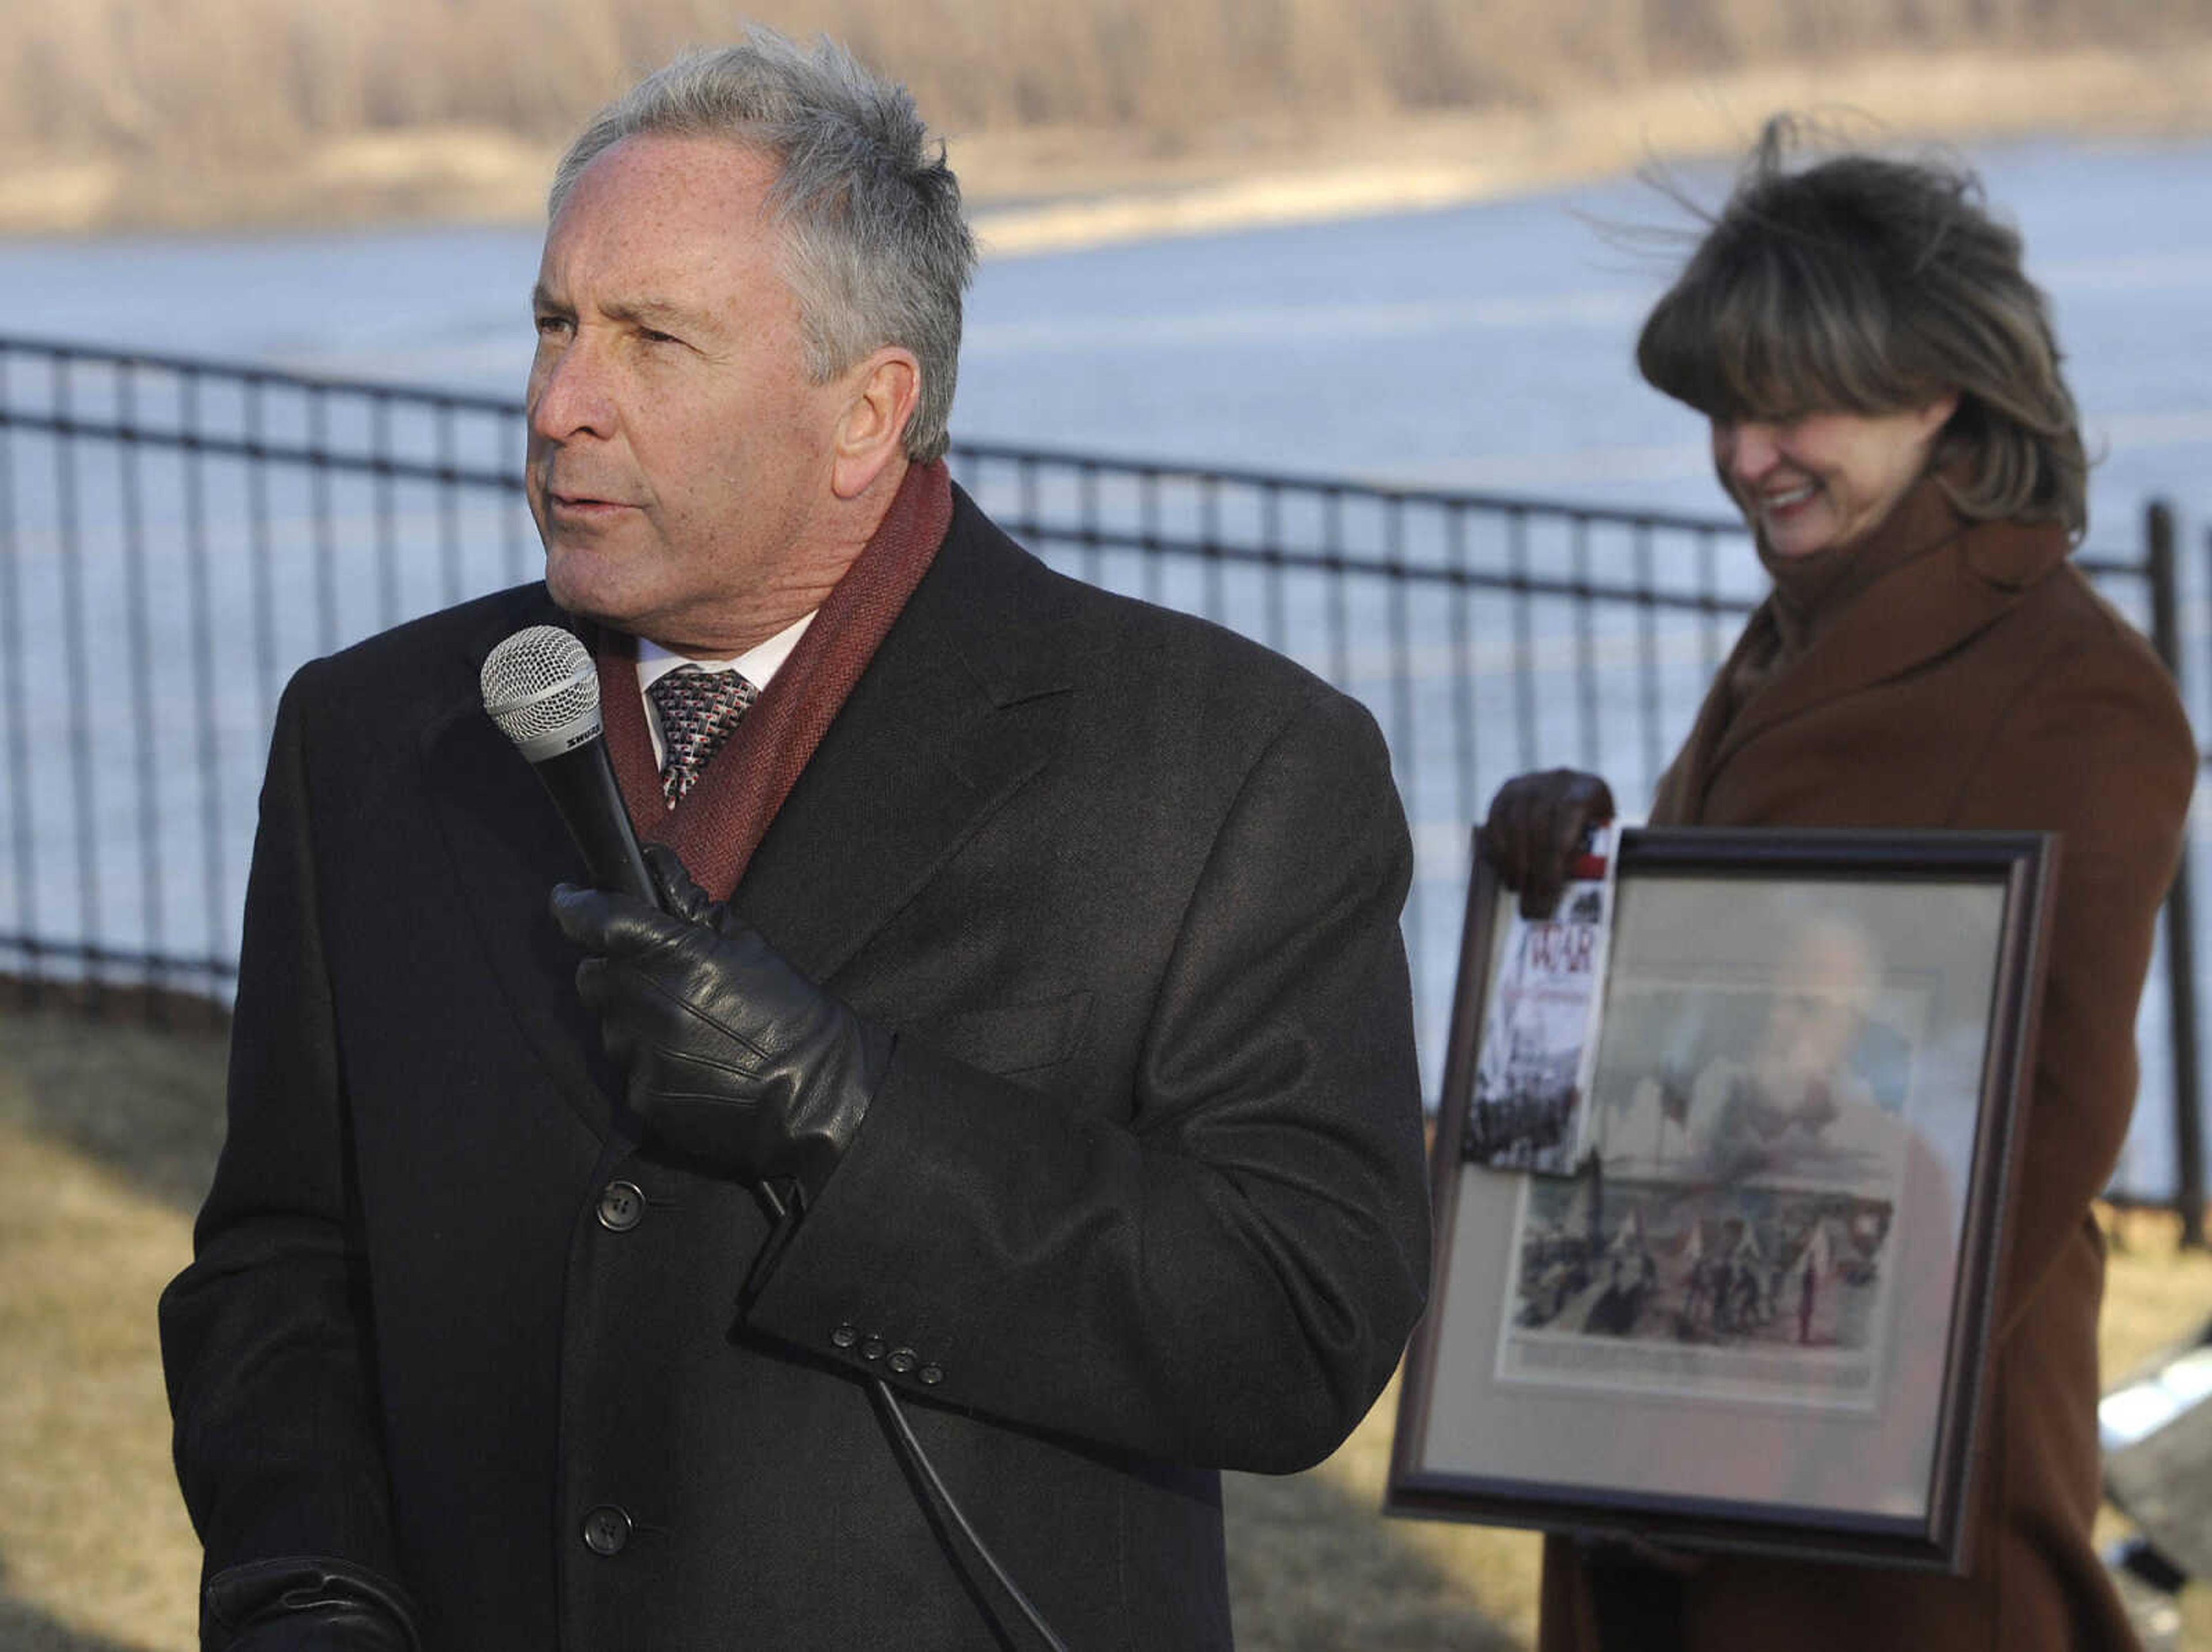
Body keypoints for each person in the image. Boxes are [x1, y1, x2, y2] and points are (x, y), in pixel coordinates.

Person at [157, 31, 1431, 1651]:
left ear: (864, 414)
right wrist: (309, 1589)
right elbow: (281, 1261)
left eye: (652, 339)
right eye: (553, 323)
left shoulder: (1226, 764)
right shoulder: (374, 736)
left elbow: (1298, 1321)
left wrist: (853, 1119)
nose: (559, 403)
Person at [1482, 118, 2195, 1651]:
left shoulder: (2071, 687)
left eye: (1794, 406)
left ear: (1938, 386)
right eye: (1728, 411)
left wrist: (1729, 1441)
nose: (1746, 456)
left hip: (1872, 1531)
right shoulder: (1809, 625)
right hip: (1682, 1454)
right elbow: (1698, 1023)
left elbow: (2034, 1137)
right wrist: (1565, 890)